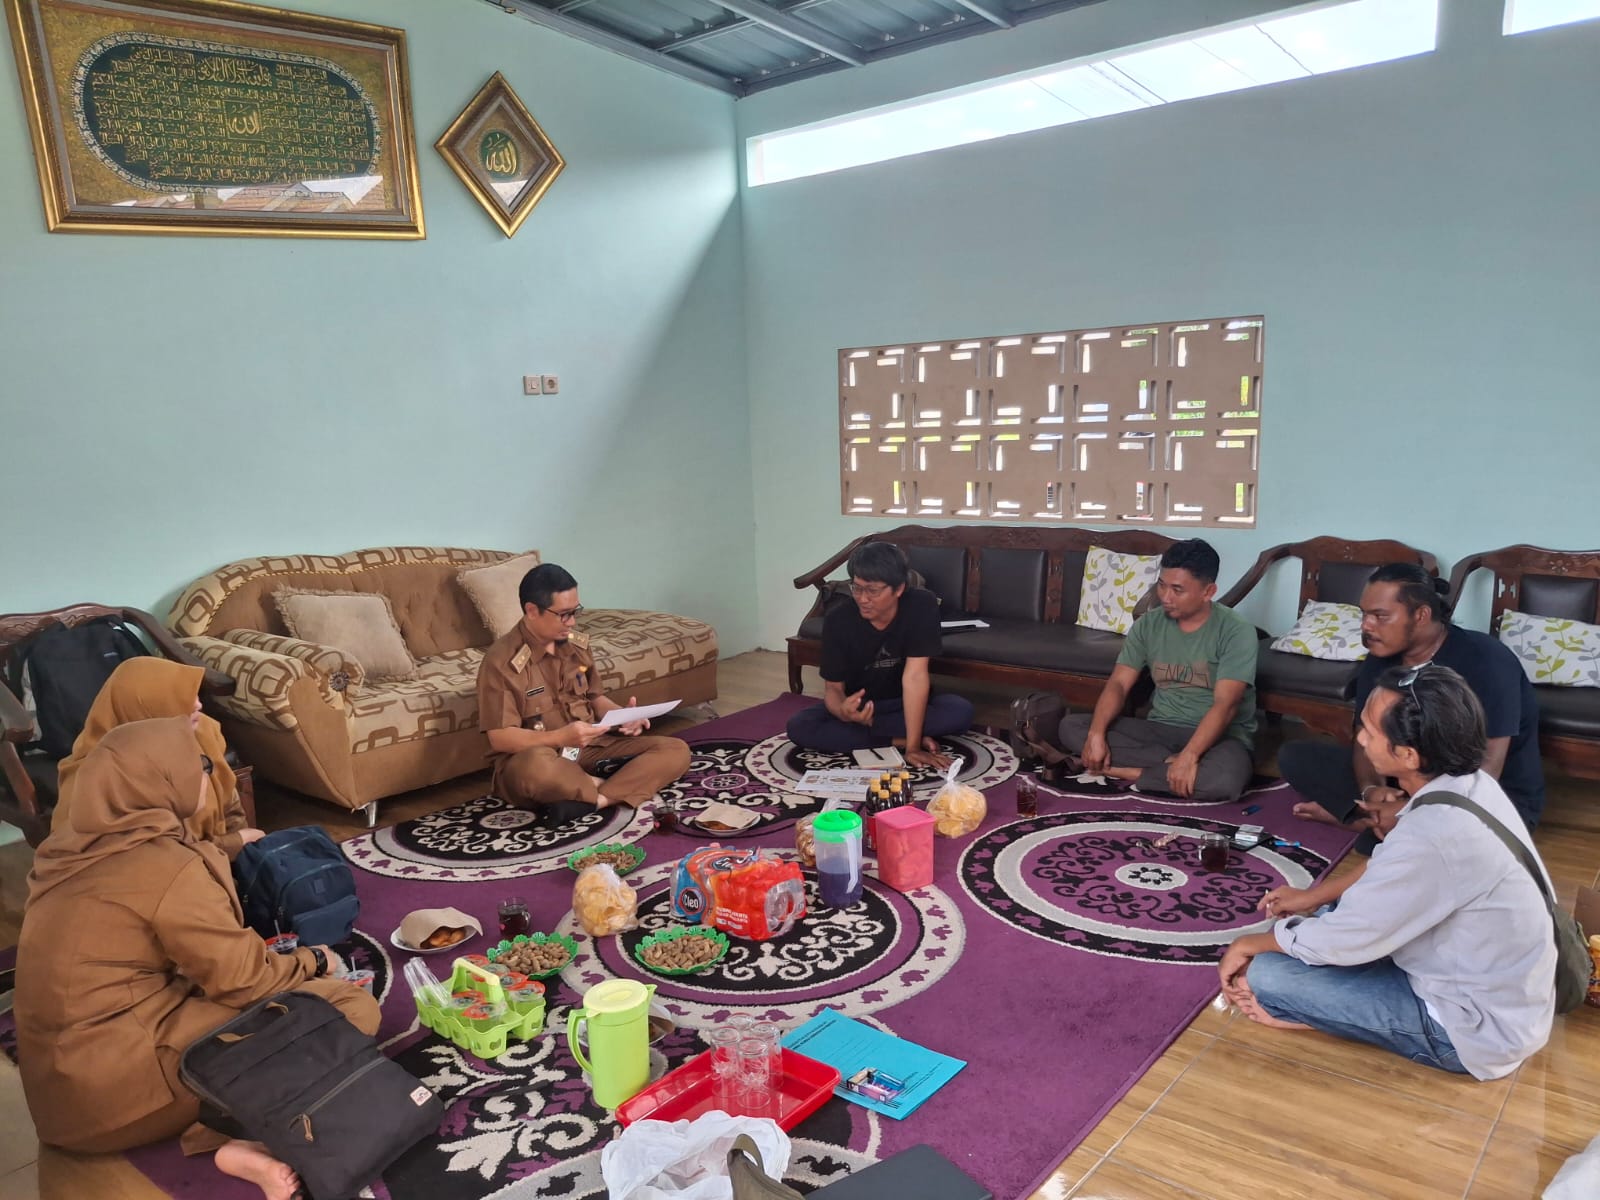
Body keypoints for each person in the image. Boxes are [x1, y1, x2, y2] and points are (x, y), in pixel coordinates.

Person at [15, 717, 378, 1200]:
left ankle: (232, 1134)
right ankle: (243, 1135)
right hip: (123, 1093)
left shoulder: (68, 849)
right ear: (165, 778)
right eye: (201, 765)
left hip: (64, 1097)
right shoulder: (165, 866)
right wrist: (314, 961)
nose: (208, 775)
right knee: (346, 1007)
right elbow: (245, 981)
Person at [1219, 665, 1556, 1080]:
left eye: (1369, 730)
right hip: (1498, 992)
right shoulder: (1467, 785)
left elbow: (1345, 939)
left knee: (1270, 974)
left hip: (1472, 1030)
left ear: (1408, 755)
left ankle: (1317, 1018)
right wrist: (1312, 898)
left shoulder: (1436, 833)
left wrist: (1250, 943)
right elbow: (1391, 865)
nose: (1359, 738)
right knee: (1321, 920)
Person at [1282, 562, 1544, 836]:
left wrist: (1410, 808)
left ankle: (1358, 820)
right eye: (1364, 614)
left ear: (1421, 615)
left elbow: (1487, 768)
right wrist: (1372, 789)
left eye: (1380, 616)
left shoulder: (1488, 662)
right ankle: (1380, 818)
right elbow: (1364, 736)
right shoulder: (1380, 656)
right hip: (1405, 773)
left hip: (1485, 796)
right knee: (1295, 757)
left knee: (1393, 840)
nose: (1366, 625)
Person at [477, 563, 691, 820]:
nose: (572, 622)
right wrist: (560, 737)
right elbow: (500, 738)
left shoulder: (575, 646)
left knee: (676, 750)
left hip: (588, 750)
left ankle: (596, 799)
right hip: (540, 757)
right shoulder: (502, 662)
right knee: (536, 770)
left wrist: (624, 716)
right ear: (532, 611)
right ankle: (618, 784)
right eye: (563, 614)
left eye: (575, 611)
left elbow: (594, 698)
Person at [1057, 539, 1258, 801]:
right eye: (1162, 585)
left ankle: (1127, 771)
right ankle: (1170, 768)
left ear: (1208, 591)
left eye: (1177, 590)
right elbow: (1119, 684)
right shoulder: (1148, 624)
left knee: (1225, 781)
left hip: (1220, 738)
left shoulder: (1236, 630)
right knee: (1072, 727)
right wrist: (1096, 734)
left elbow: (1226, 705)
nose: (1165, 597)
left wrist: (1190, 755)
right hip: (1160, 731)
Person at [49, 656, 265, 858]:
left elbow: (230, 806)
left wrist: (247, 855)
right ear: (146, 710)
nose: (198, 705)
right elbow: (136, 860)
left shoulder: (202, 733)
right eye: (178, 699)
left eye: (195, 695)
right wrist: (233, 845)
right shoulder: (91, 782)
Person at [785, 542, 974, 770]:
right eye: (857, 588)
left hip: (904, 704)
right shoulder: (838, 619)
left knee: (960, 711)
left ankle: (883, 737)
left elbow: (915, 677)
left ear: (899, 589)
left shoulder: (921, 605)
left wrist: (914, 748)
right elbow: (833, 689)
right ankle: (895, 740)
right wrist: (844, 712)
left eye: (872, 591)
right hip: (861, 708)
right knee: (800, 726)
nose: (863, 599)